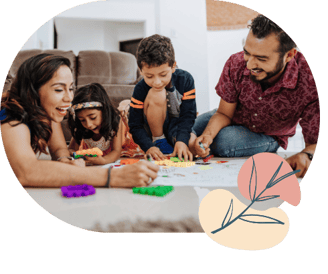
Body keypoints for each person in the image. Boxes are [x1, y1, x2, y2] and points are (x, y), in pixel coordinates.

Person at [189, 14, 320, 178]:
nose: (249, 64)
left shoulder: (310, 80)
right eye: (247, 53)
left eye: (261, 58)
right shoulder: (235, 63)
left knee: (224, 141)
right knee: (191, 126)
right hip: (234, 118)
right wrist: (206, 138)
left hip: (268, 135)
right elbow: (223, 113)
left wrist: (307, 156)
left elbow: (314, 144)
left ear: (289, 55)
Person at [0, 53, 159, 187]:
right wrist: (113, 177)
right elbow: (26, 172)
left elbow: (58, 150)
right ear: (32, 92)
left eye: (70, 88)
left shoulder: (47, 113)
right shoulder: (10, 116)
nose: (69, 98)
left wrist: (65, 160)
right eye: (58, 89)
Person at [129, 34, 196, 161]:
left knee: (192, 146)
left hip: (176, 127)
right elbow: (135, 124)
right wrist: (149, 146)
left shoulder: (186, 79)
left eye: (163, 74)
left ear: (173, 66)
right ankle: (159, 141)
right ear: (140, 70)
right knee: (157, 92)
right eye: (149, 76)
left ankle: (174, 143)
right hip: (152, 131)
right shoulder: (140, 89)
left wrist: (181, 141)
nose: (157, 82)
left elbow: (188, 115)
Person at [68, 83, 122, 165]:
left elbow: (116, 151)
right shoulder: (80, 127)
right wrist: (75, 155)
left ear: (104, 111)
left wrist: (104, 160)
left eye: (93, 117)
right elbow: (71, 149)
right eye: (82, 120)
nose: (88, 124)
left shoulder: (115, 122)